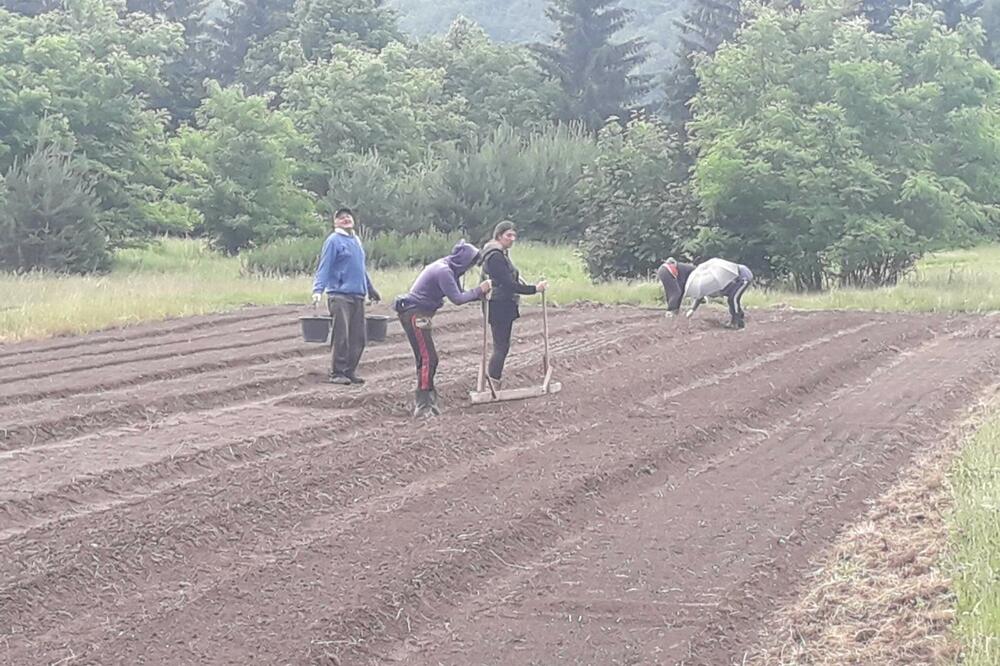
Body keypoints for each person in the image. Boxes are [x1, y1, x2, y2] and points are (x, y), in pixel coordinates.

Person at [393, 241, 492, 417]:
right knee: (428, 358)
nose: (469, 268)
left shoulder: (448, 268)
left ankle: (428, 400)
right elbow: (458, 299)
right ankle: (424, 404)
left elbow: (460, 294)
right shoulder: (444, 271)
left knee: (425, 358)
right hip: (416, 313)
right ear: (463, 261)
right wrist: (479, 290)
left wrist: (479, 295)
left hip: (420, 313)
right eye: (469, 264)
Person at [311, 208, 381, 385]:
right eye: (341, 217)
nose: (346, 219)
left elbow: (360, 269)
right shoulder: (333, 241)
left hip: (358, 295)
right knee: (341, 335)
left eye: (348, 216)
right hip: (339, 295)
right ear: (335, 222)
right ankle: (337, 372)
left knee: (359, 337)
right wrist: (318, 290)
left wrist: (371, 289)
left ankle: (350, 371)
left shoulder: (356, 240)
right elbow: (324, 267)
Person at [479, 221, 547, 391]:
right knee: (501, 346)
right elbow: (507, 283)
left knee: (502, 345)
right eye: (508, 235)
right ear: (499, 236)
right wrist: (534, 289)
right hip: (499, 304)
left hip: (501, 303)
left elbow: (511, 279)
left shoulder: (499, 253)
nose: (512, 239)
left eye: (514, 235)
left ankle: (493, 383)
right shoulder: (495, 256)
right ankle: (492, 384)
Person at [685, 258, 753, 329]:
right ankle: (740, 315)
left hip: (743, 276)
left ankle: (736, 321)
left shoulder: (716, 274)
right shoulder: (705, 280)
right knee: (732, 299)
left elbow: (732, 279)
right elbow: (701, 293)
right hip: (734, 282)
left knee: (733, 299)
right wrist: (692, 309)